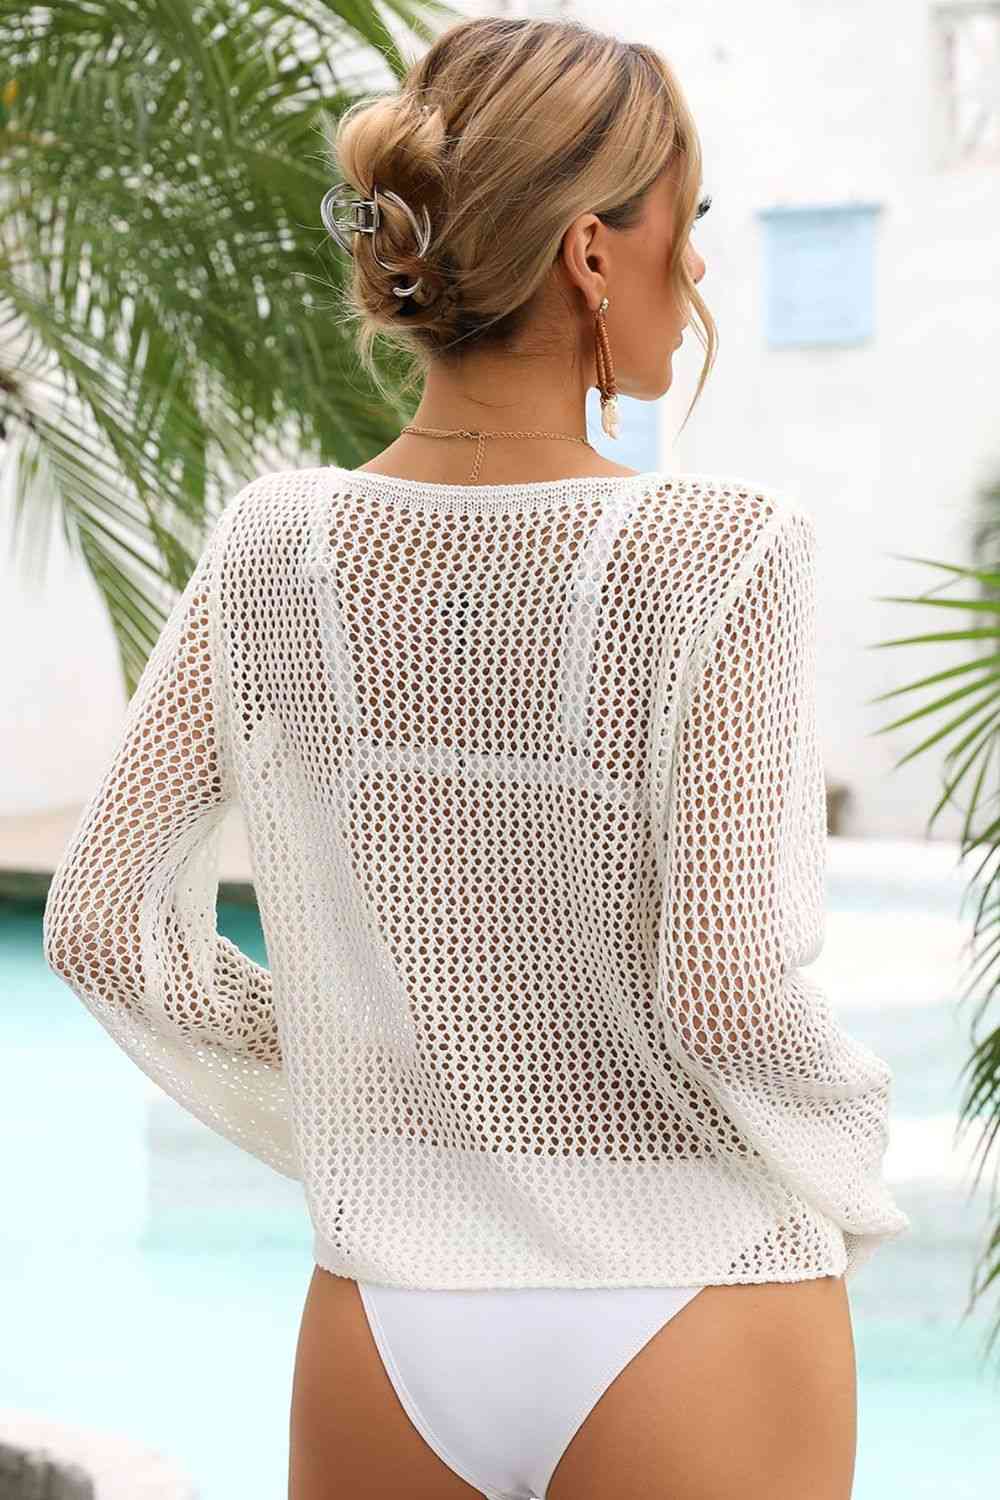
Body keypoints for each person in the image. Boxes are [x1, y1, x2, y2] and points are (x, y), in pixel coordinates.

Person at [42, 14, 910, 1500]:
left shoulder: (274, 543)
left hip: (389, 1310)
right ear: (591, 254)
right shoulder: (722, 549)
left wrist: (374, 1075)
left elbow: (102, 925)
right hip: (694, 1288)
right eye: (685, 219)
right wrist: (856, 1153)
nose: (700, 266)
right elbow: (724, 994)